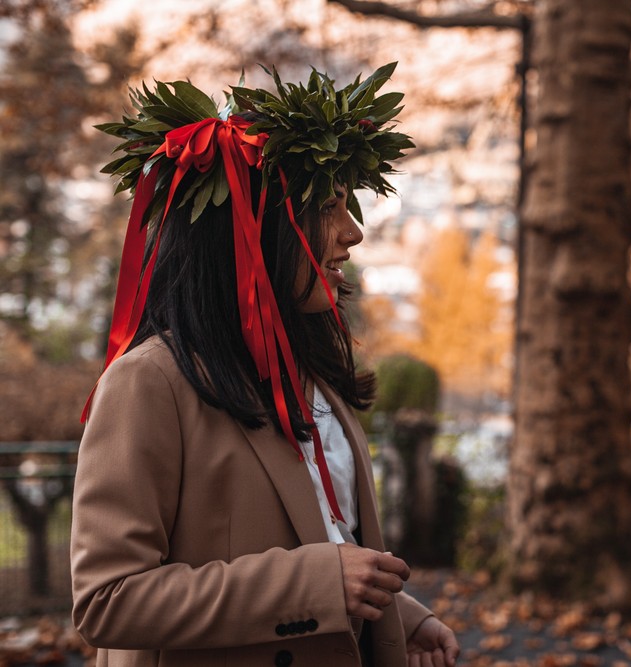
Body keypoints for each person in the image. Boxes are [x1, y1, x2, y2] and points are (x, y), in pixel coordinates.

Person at [70, 64, 460, 667]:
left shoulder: (313, 373)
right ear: (256, 228)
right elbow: (109, 601)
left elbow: (324, 539)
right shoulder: (148, 383)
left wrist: (396, 616)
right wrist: (316, 585)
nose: (352, 233)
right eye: (330, 207)